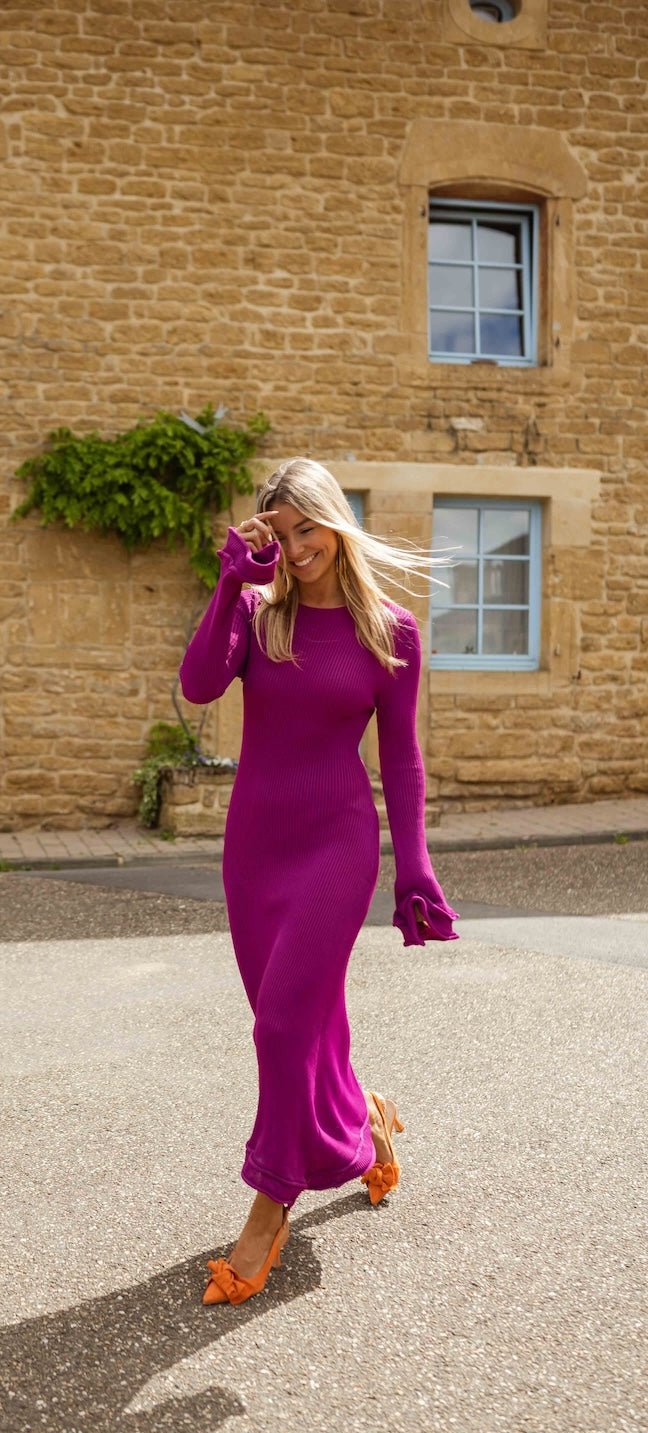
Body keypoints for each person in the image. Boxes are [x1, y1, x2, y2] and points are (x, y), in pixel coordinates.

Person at [179, 457, 461, 1308]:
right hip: (256, 846)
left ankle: (269, 1210)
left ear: (336, 523)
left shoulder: (391, 632)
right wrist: (232, 584)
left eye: (308, 528)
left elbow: (402, 761)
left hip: (337, 845)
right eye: (280, 533)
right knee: (297, 1023)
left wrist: (415, 863)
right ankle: (364, 1117)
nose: (297, 548)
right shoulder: (260, 616)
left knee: (279, 1029)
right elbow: (198, 684)